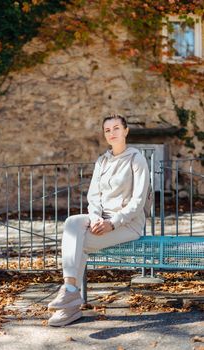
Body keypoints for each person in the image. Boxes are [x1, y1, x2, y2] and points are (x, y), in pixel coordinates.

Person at [48, 114, 150, 327]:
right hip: (101, 220)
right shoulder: (102, 161)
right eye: (107, 130)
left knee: (77, 244)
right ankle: (70, 290)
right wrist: (95, 218)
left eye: (116, 128)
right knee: (72, 224)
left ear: (126, 131)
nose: (112, 133)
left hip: (128, 224)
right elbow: (93, 196)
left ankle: (71, 303)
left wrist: (112, 222)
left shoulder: (136, 159)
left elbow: (138, 201)